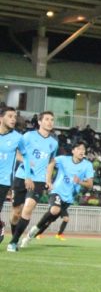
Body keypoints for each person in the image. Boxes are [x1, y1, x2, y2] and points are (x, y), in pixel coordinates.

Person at [20, 142, 94, 248]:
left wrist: (80, 182)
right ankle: (32, 232)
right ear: (73, 151)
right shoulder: (63, 159)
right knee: (55, 210)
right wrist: (48, 180)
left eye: (83, 149)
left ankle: (32, 233)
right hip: (57, 191)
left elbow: (90, 184)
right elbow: (50, 161)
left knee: (49, 220)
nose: (82, 151)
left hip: (69, 198)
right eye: (79, 148)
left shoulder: (87, 165)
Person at [6, 111, 58, 252]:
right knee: (16, 213)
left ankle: (13, 242)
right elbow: (17, 153)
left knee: (28, 208)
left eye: (52, 119)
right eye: (47, 119)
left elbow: (51, 161)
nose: (50, 122)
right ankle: (15, 236)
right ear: (39, 122)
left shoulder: (53, 143)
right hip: (21, 176)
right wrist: (26, 161)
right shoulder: (28, 136)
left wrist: (48, 180)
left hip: (38, 180)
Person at [0, 107, 22, 244]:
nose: (13, 119)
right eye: (10, 116)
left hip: (3, 180)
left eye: (15, 117)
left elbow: (25, 155)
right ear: (1, 118)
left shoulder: (18, 138)